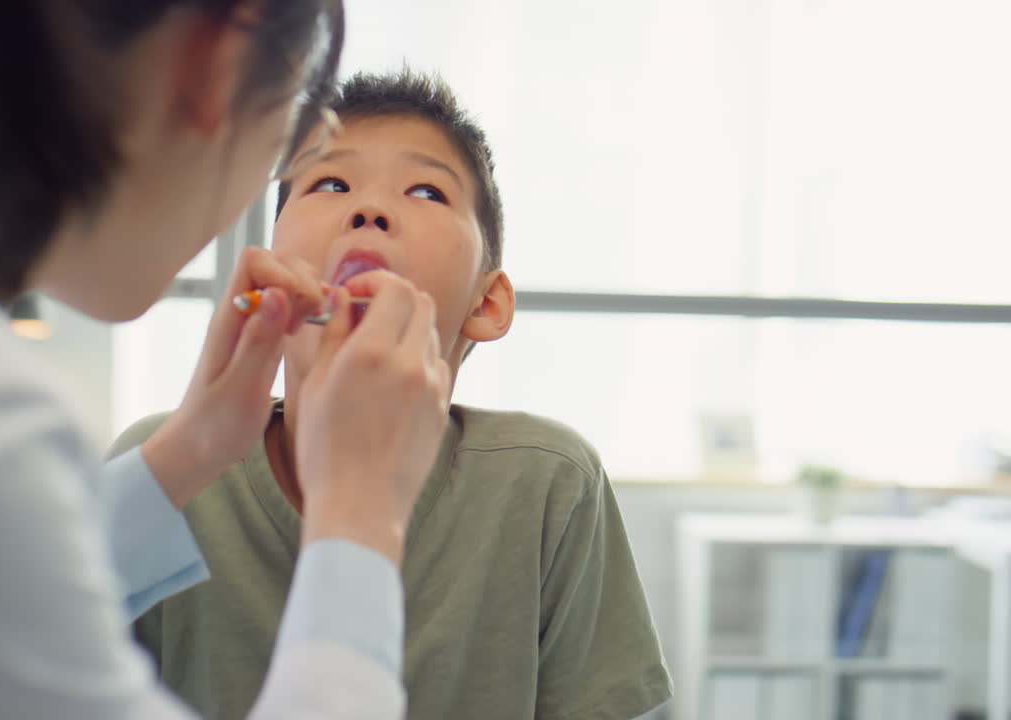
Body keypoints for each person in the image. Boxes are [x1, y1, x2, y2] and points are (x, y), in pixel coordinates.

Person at [0, 2, 455, 718]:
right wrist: (361, 507)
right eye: (312, 155)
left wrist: (192, 448)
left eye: (427, 191)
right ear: (217, 65)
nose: (368, 211)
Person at [110, 70, 674, 720]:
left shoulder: (548, 483)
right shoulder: (163, 479)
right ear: (271, 266)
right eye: (329, 183)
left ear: (486, 303)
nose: (369, 210)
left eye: (428, 190)